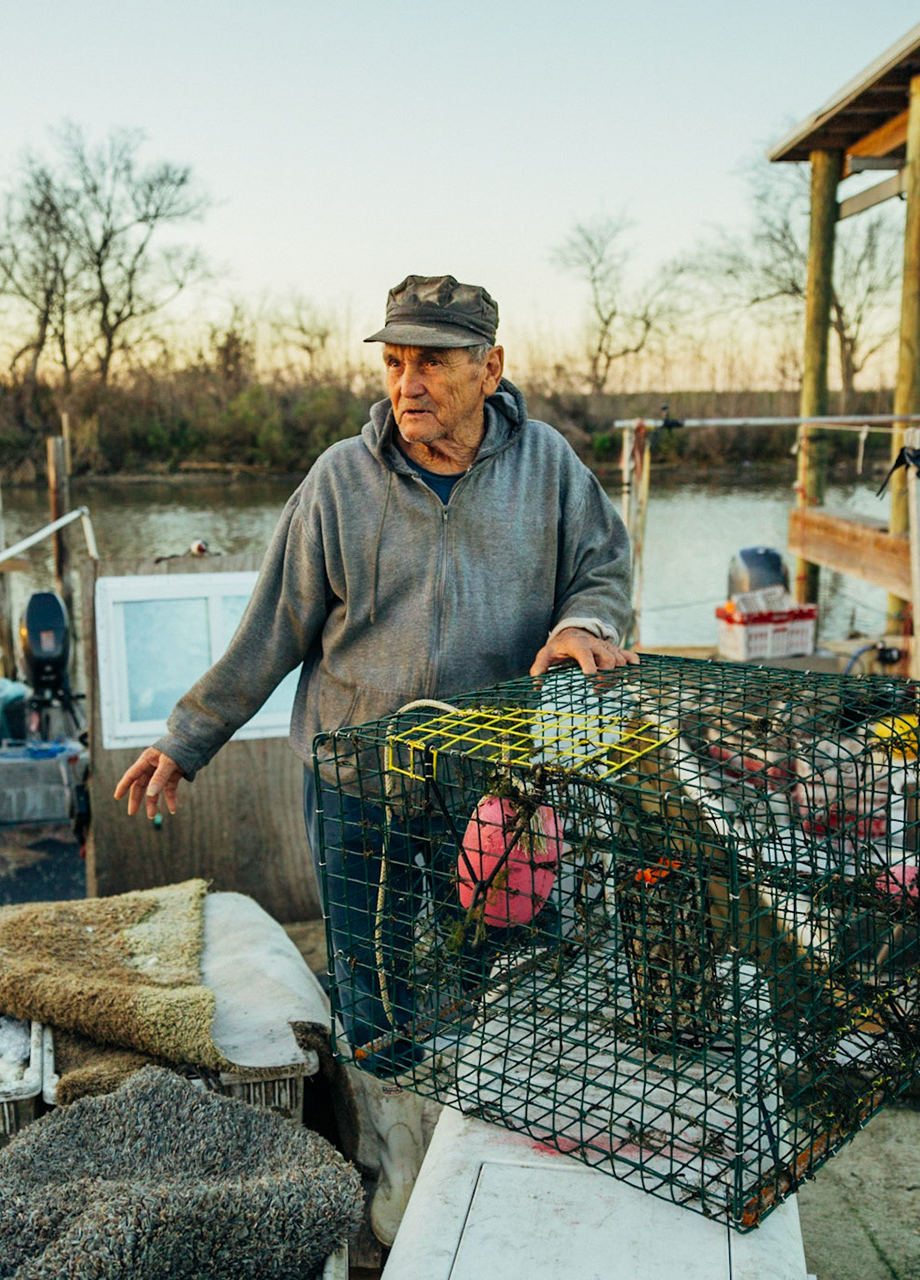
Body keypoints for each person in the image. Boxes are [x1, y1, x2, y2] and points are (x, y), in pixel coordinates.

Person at [113, 273, 635, 1244]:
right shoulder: (339, 484)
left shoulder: (551, 469)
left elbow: (602, 567)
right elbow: (271, 629)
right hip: (361, 789)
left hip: (502, 792)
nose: (409, 382)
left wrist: (582, 624)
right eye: (396, 362)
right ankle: (394, 1205)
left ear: (492, 366)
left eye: (431, 360)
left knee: (507, 971)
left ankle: (493, 1170)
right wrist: (186, 740)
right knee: (378, 994)